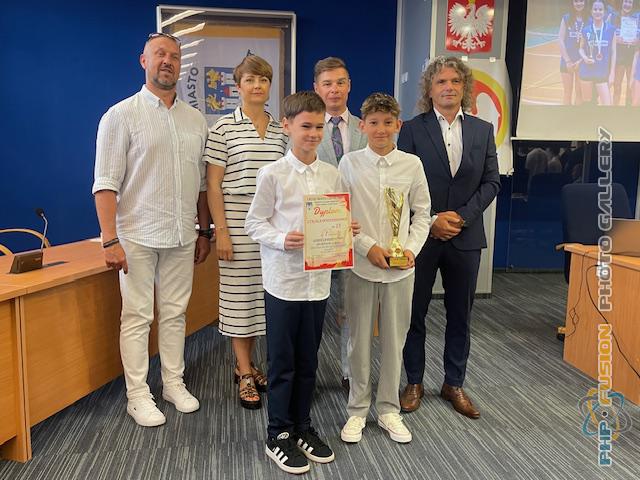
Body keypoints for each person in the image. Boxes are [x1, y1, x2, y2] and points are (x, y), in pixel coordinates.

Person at [93, 32, 211, 427]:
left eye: (174, 56)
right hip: (136, 235)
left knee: (176, 314)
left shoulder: (195, 120)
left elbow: (200, 184)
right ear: (143, 61)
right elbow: (105, 183)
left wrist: (205, 231)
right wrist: (109, 239)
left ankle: (173, 384)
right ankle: (138, 395)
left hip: (182, 234)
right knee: (137, 316)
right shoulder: (121, 115)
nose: (167, 61)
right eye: (159, 54)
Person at [246, 91, 359, 474]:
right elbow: (254, 223)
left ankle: (302, 426)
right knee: (283, 362)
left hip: (318, 283)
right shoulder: (273, 174)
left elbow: (336, 220)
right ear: (287, 126)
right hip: (284, 283)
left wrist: (345, 229)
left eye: (318, 127)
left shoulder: (332, 174)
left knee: (309, 360)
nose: (312, 134)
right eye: (305, 126)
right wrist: (282, 239)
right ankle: (277, 433)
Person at [399, 56, 500, 419]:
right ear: (429, 89)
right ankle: (413, 382)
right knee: (414, 313)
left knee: (460, 315)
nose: (449, 87)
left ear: (464, 87)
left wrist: (462, 216)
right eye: (441, 81)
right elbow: (402, 184)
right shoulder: (412, 129)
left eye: (455, 81)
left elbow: (491, 182)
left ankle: (453, 383)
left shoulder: (482, 130)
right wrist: (431, 220)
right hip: (421, 238)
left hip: (466, 236)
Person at [338, 93, 430, 445]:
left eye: (387, 123)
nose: (381, 129)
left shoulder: (412, 165)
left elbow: (422, 214)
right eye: (374, 123)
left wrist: (410, 250)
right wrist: (367, 247)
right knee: (358, 341)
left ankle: (389, 408)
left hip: (400, 271)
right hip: (361, 267)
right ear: (362, 126)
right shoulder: (349, 163)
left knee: (395, 341)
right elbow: (342, 214)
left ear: (398, 125)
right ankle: (357, 409)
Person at [203, 55, 287, 410]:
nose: (257, 85)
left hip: (273, 223)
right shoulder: (222, 128)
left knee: (263, 297)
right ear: (237, 86)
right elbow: (213, 185)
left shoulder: (282, 130)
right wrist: (221, 231)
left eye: (263, 80)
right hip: (236, 221)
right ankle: (244, 372)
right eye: (250, 79)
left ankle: (249, 364)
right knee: (239, 299)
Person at [313, 57, 368, 392]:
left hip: (356, 232)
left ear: (349, 86)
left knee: (352, 308)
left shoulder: (367, 127)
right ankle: (310, 373)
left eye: (340, 82)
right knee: (313, 308)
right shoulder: (305, 126)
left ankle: (350, 372)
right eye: (327, 84)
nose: (334, 89)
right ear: (316, 88)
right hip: (316, 234)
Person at [579, 0, 617, 105]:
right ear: (591, 11)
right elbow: (580, 48)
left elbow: (614, 52)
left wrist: (612, 73)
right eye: (595, 9)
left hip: (602, 72)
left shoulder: (611, 29)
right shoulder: (586, 30)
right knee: (588, 104)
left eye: (600, 9)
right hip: (587, 70)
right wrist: (585, 58)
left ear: (604, 12)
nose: (597, 12)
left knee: (607, 104)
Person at [559, 0, 587, 105]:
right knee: (567, 93)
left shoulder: (589, 19)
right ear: (572, 2)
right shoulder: (566, 18)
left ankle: (577, 115)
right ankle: (567, 115)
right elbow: (560, 40)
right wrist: (567, 61)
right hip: (567, 61)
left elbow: (590, 43)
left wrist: (581, 60)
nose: (579, 3)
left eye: (581, 1)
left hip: (582, 61)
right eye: (576, 1)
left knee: (580, 94)